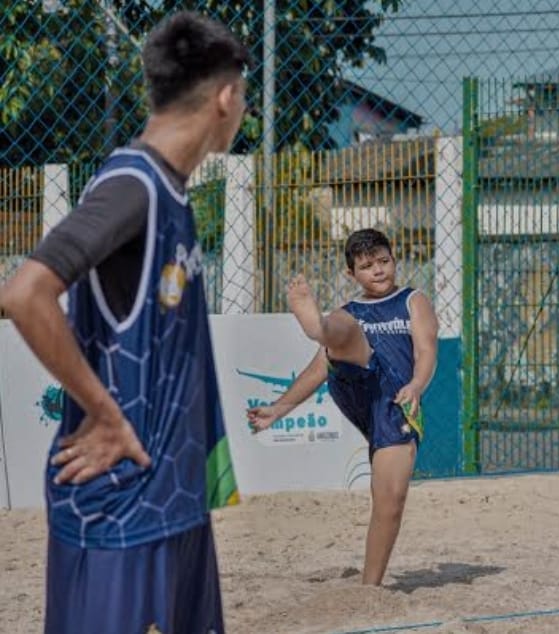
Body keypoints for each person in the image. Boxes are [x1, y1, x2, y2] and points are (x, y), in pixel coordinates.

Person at [0, 12, 248, 633]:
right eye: (243, 94)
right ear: (225, 97)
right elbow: (26, 294)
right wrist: (104, 413)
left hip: (174, 497)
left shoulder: (174, 190)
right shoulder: (130, 186)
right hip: (117, 513)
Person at [248, 228, 439, 586]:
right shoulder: (351, 308)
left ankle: (370, 587)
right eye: (367, 266)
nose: (378, 271)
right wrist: (280, 408)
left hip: (394, 400)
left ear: (394, 260)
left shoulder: (414, 301)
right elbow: (319, 368)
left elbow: (426, 351)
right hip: (353, 381)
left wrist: (416, 385)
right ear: (351, 274)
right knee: (345, 330)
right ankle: (318, 325)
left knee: (390, 500)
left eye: (384, 261)